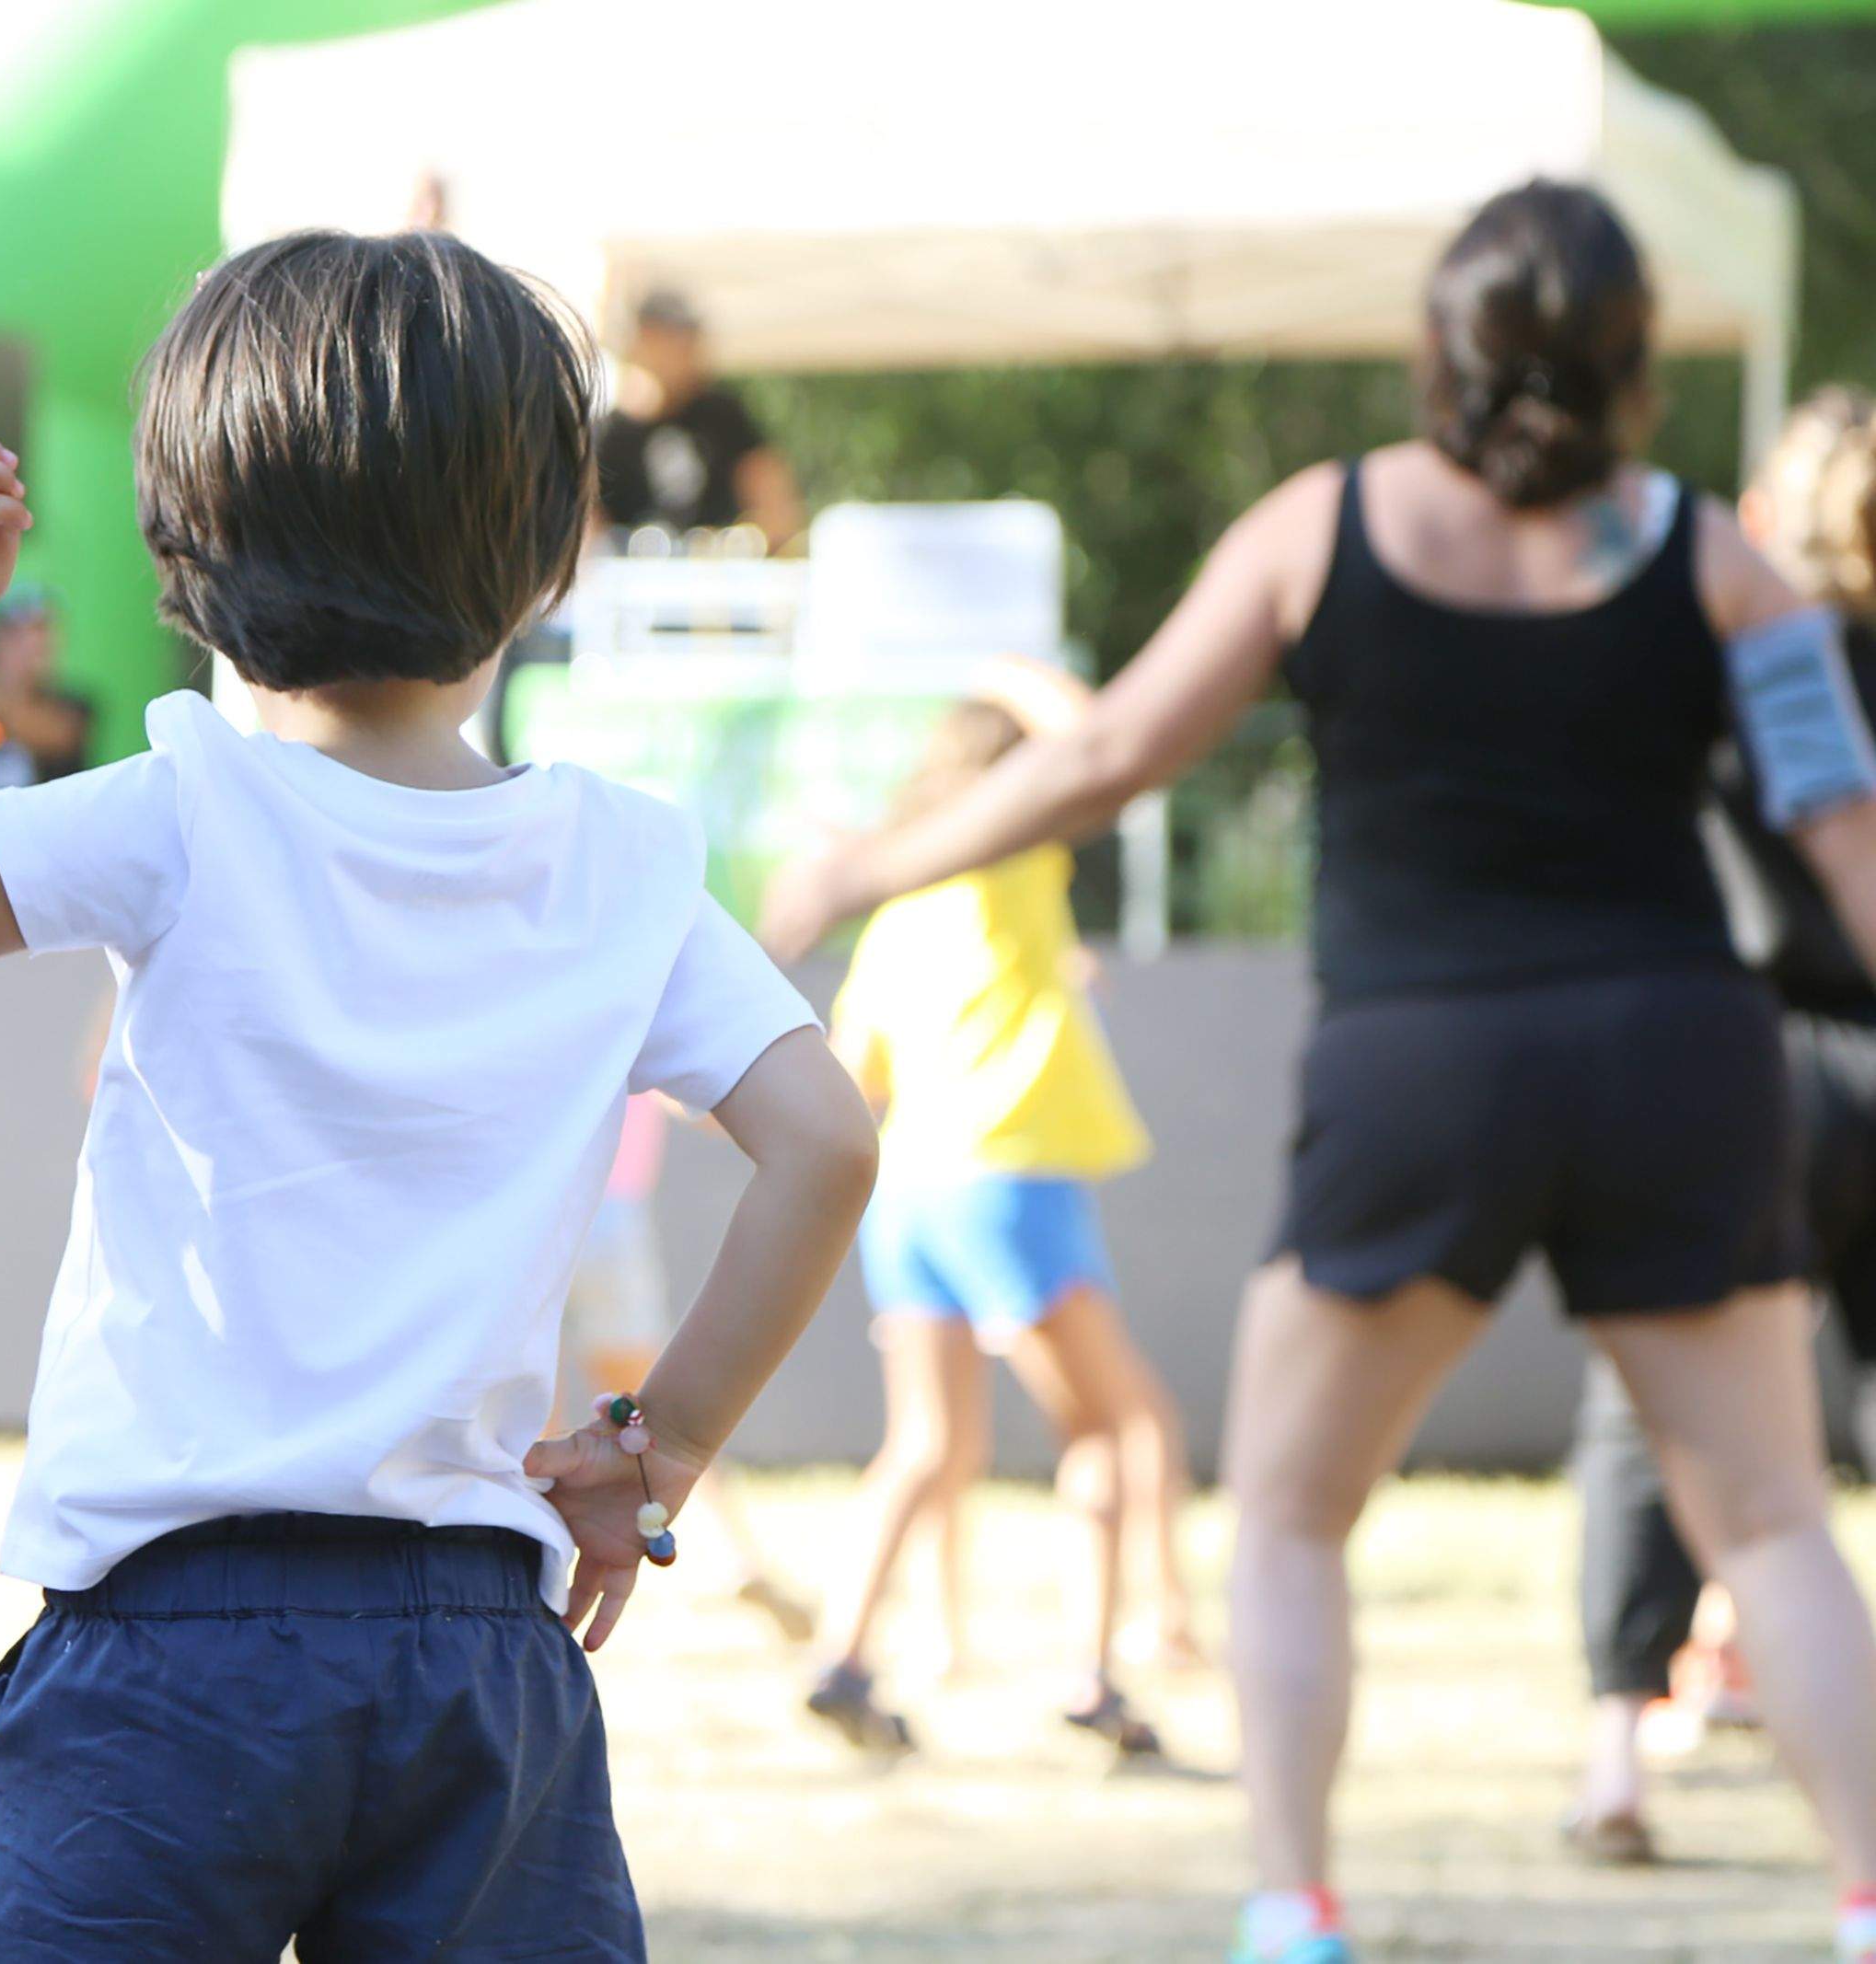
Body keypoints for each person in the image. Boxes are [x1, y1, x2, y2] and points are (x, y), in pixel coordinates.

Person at [0, 229, 881, 1959]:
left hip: (162, 1651)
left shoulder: (181, 808)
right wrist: (665, 1444)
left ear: (186, 550)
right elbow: (827, 1142)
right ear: (550, 555)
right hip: (476, 1652)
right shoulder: (616, 864)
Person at [757, 180, 1876, 1964]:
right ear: (1631, 363)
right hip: (1677, 1057)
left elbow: (1107, 754)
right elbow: (1845, 840)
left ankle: (1292, 1911)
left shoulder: (1319, 526)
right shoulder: (1720, 562)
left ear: (1442, 348)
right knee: (1769, 1520)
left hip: (1420, 1071)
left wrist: (859, 870)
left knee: (1287, 1510)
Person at [1563, 384, 1876, 1866]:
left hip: (1738, 1062)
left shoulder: (1727, 650)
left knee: (1650, 1408)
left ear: (1760, 515)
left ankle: (1616, 1758)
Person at [799, 679, 1197, 1762]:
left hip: (908, 1194)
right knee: (1112, 1427)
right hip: (1007, 1184)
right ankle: (1094, 1679)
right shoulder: (1008, 859)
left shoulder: (893, 911)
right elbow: (1097, 742)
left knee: (925, 1444)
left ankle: (840, 1658)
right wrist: (1011, 668)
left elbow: (851, 1081)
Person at [560, 1094, 817, 1643]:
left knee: (562, 1418)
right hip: (606, 1217)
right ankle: (736, 1559)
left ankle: (538, 1577)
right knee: (651, 1417)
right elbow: (706, 1103)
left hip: (541, 1209)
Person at [594, 290, 805, 548]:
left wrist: (741, 543)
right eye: (667, 339)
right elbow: (588, 526)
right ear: (639, 342)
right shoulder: (610, 432)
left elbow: (777, 506)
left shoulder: (724, 417)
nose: (681, 352)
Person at [0, 591, 93, 795]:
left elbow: (53, 734)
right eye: (16, 638)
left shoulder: (72, 706)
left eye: (40, 636)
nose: (30, 648)